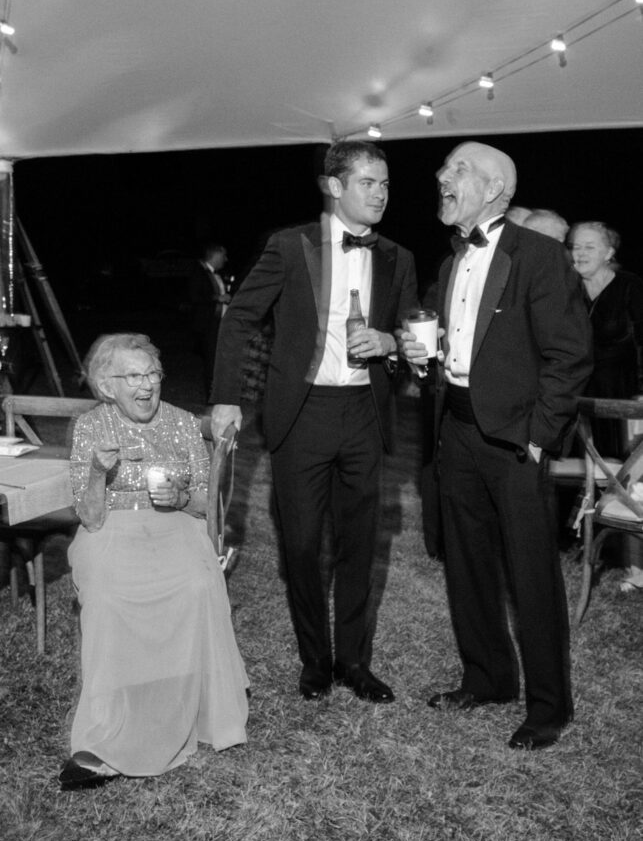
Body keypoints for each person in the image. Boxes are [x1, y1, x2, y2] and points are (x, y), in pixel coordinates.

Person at [210, 140, 418, 704]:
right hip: (302, 416)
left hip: (364, 416)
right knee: (301, 545)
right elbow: (240, 320)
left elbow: (411, 335)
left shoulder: (398, 256)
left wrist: (392, 342)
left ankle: (353, 660)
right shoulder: (289, 246)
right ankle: (314, 660)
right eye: (368, 183)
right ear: (334, 186)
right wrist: (226, 397)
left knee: (358, 543)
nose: (380, 194)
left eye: (385, 184)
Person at [400, 141, 592, 751]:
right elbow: (450, 341)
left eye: (456, 170)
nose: (442, 177)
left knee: (531, 572)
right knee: (467, 562)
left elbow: (569, 355)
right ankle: (487, 679)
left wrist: (539, 437)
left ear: (493, 188)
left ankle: (548, 707)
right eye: (444, 169)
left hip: (514, 440)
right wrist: (418, 353)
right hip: (453, 428)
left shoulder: (537, 255)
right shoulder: (452, 258)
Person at [59, 332, 248, 788]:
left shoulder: (183, 424)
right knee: (105, 596)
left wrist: (182, 495)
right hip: (112, 530)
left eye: (152, 375)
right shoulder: (91, 428)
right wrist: (100, 473)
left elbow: (208, 506)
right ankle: (105, 732)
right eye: (133, 376)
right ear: (106, 386)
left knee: (197, 584)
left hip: (175, 525)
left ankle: (183, 702)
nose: (146, 386)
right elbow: (87, 515)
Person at [569, 221, 643, 590]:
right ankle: (582, 542)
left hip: (624, 395)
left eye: (589, 247)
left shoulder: (630, 286)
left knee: (628, 475)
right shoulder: (567, 288)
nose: (579, 253)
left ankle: (633, 564)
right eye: (575, 247)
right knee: (584, 470)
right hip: (579, 396)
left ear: (610, 252)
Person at [185, 243, 232, 398]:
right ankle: (212, 396)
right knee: (211, 360)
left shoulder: (216, 274)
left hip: (220, 323)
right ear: (216, 256)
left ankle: (219, 391)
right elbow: (194, 296)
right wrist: (218, 298)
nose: (225, 260)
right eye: (223, 256)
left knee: (219, 359)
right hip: (208, 325)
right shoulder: (199, 272)